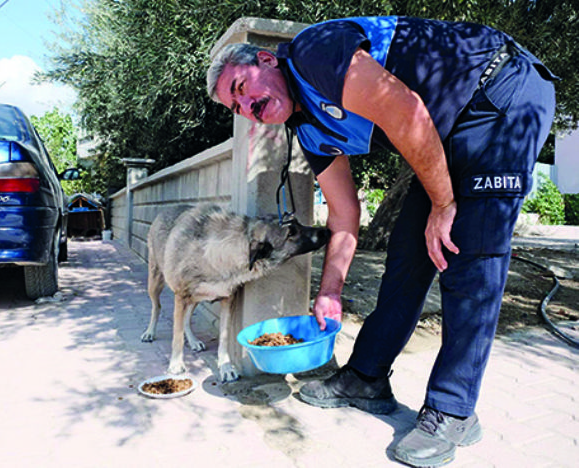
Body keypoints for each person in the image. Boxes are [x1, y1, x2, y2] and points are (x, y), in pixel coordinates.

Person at [207, 16, 556, 468]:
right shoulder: (308, 129)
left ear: (267, 60)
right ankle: (366, 377)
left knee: (470, 253)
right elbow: (345, 213)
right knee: (408, 255)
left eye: (240, 87)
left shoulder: (315, 53)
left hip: (499, 90)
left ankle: (453, 410)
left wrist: (444, 204)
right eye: (236, 108)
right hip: (448, 131)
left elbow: (406, 110)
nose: (246, 105)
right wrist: (330, 290)